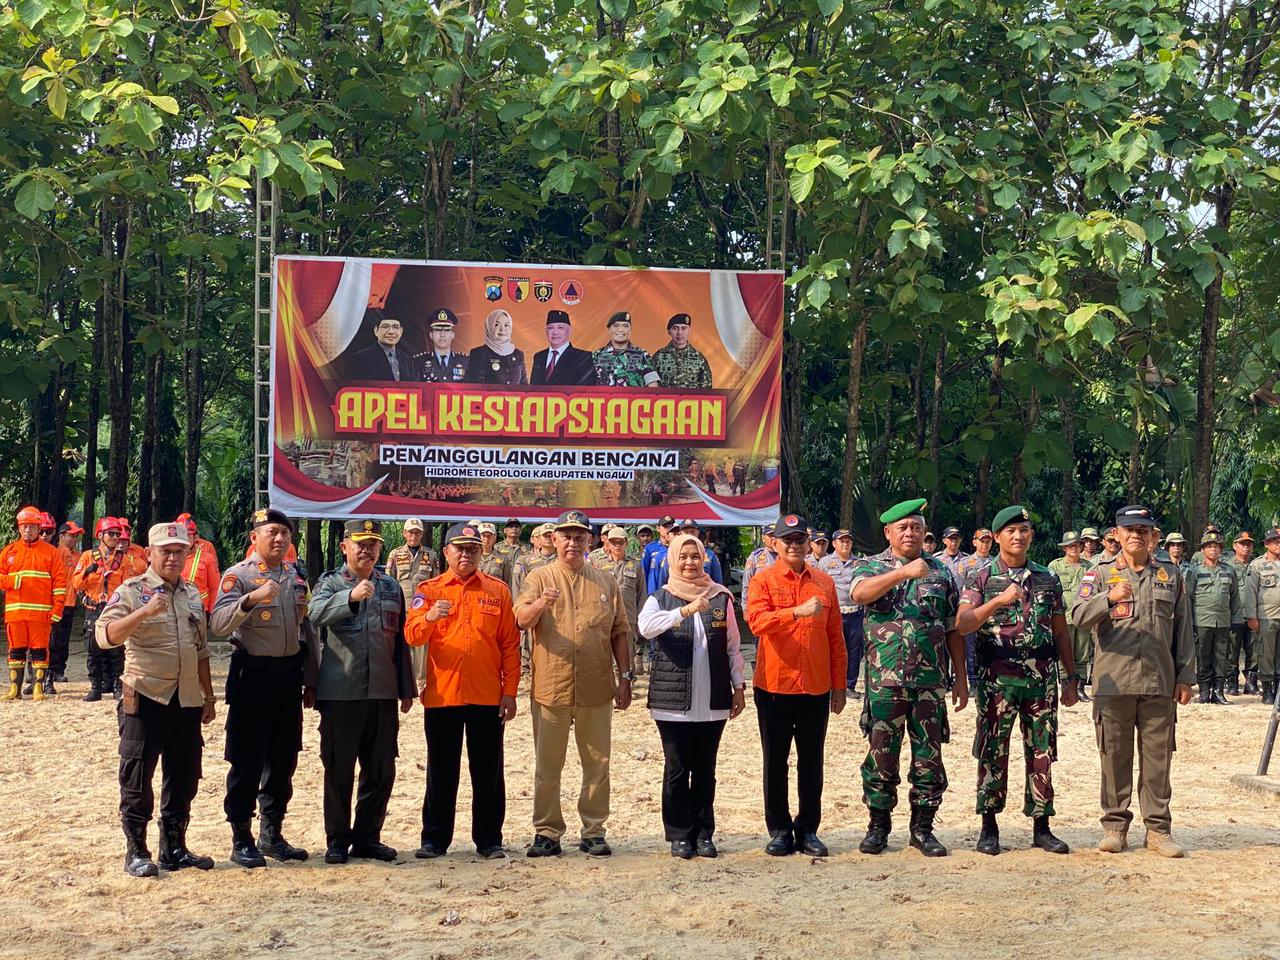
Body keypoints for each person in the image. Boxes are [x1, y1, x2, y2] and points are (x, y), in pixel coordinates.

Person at [1071, 505, 1193, 858]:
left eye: (1143, 529)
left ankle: (1158, 830)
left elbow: (1183, 628)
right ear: (1116, 534)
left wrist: (1185, 676)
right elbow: (1078, 616)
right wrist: (1108, 598)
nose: (1136, 535)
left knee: (1158, 759)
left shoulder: (1171, 574)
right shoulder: (1099, 572)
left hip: (1159, 680)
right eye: (1129, 529)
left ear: (1154, 536)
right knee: (1114, 755)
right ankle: (1114, 826)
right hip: (1114, 682)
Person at [95, 522, 216, 877]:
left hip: (186, 698)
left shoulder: (193, 593)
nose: (173, 557)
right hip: (145, 695)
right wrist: (143, 613)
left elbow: (203, 649)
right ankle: (136, 851)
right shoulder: (132, 591)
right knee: (137, 777)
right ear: (150, 553)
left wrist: (208, 696)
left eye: (180, 551)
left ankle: (174, 848)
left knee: (184, 775)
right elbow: (105, 637)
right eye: (166, 551)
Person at [956, 506, 1078, 856]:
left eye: (1024, 529)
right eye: (1010, 530)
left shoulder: (1046, 578)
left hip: (1041, 678)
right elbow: (964, 623)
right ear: (996, 537)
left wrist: (1071, 677)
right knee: (992, 750)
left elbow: (1059, 630)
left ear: (1031, 536)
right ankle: (989, 826)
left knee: (1042, 750)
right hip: (998, 679)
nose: (1018, 536)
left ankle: (1042, 826)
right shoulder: (979, 577)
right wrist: (997, 600)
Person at [850, 499, 967, 857]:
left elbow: (952, 629)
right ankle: (878, 826)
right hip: (884, 683)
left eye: (916, 526)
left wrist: (960, 678)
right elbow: (858, 594)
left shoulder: (942, 573)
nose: (910, 532)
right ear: (888, 532)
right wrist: (901, 573)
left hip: (929, 684)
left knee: (928, 758)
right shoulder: (870, 566)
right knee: (881, 757)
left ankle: (923, 828)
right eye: (902, 527)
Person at [513, 510, 632, 858]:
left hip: (596, 686)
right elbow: (521, 620)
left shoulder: (606, 582)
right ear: (554, 539)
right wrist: (540, 604)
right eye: (566, 535)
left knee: (598, 763)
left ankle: (594, 830)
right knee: (548, 765)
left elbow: (620, 632)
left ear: (589, 541)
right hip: (552, 686)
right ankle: (547, 832)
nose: (572, 542)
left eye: (580, 536)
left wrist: (625, 678)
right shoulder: (539, 577)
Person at [405, 522, 520, 860]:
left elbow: (510, 646)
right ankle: (435, 840)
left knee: (488, 772)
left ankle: (489, 839)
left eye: (472, 548)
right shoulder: (429, 590)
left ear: (481, 552)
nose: (466, 554)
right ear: (446, 552)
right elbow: (411, 635)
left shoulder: (497, 591)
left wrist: (510, 691)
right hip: (443, 696)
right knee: (441, 770)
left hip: (487, 696)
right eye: (459, 548)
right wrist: (428, 617)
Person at [307, 520, 417, 864]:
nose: (367, 549)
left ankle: (368, 837)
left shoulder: (390, 587)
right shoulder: (330, 583)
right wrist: (349, 598)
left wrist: (406, 687)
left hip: (382, 692)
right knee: (339, 769)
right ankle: (338, 840)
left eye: (373, 543)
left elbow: (399, 641)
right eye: (360, 543)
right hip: (342, 692)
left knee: (381, 769)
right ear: (345, 547)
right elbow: (314, 615)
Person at [210, 508, 315, 868]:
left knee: (284, 757)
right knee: (247, 758)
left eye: (285, 533)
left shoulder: (296, 578)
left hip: (288, 677)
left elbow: (307, 631)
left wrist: (311, 679)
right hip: (252, 676)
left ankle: (272, 833)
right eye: (272, 532)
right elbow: (219, 624)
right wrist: (250, 600)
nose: (280, 539)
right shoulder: (237, 576)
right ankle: (241, 837)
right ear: (254, 537)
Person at [638, 533, 746, 858]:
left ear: (704, 559)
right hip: (672, 704)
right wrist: (683, 613)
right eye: (683, 556)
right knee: (675, 769)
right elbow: (645, 628)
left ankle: (703, 834)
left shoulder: (720, 598)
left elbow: (732, 648)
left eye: (695, 557)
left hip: (713, 701)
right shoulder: (661, 597)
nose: (689, 563)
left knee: (705, 770)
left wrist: (739, 687)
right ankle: (679, 834)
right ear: (673, 559)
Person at [745, 514, 846, 857]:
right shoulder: (763, 580)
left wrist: (840, 684)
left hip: (815, 687)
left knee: (811, 761)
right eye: (786, 539)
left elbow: (836, 637)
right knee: (775, 761)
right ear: (774, 543)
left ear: (807, 542)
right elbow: (756, 623)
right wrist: (796, 612)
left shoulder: (824, 582)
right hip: (774, 685)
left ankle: (808, 830)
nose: (793, 545)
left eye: (799, 539)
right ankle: (779, 829)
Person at [72, 517, 147, 702]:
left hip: (115, 609)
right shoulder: (88, 556)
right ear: (100, 535)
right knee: (93, 650)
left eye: (117, 534)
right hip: (94, 607)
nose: (115, 537)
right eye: (111, 534)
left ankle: (116, 686)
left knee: (117, 650)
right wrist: (88, 571)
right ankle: (95, 688)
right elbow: (76, 584)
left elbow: (129, 586)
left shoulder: (124, 560)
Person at [1, 506, 68, 701]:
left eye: (32, 526)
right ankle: (15, 689)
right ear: (19, 528)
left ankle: (38, 688)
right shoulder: (9, 552)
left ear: (39, 528)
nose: (28, 530)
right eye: (24, 526)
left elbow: (60, 584)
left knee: (40, 651)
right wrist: (12, 581)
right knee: (16, 651)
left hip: (41, 615)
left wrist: (58, 608)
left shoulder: (51, 553)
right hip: (15, 614)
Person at [1184, 531, 1239, 705]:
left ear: (1221, 549)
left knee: (1221, 656)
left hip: (1223, 620)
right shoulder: (1194, 571)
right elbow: (1189, 598)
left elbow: (1235, 597)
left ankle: (1218, 691)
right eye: (1209, 547)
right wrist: (1190, 622)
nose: (1213, 549)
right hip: (1202, 620)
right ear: (1203, 550)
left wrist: (1236, 620)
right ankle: (1204, 691)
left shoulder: (1229, 571)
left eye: (1216, 546)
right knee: (1203, 656)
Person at [385, 518, 440, 685]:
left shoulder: (430, 555)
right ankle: (403, 677)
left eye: (417, 532)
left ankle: (420, 679)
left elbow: (436, 581)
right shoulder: (395, 554)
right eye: (410, 532)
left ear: (421, 534)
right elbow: (389, 581)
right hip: (401, 606)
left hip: (423, 608)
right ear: (404, 533)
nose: (413, 535)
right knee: (401, 641)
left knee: (422, 643)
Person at [587, 525, 647, 675]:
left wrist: (641, 619)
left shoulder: (635, 565)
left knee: (627, 654)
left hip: (628, 617)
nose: (617, 545)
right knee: (603, 654)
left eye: (621, 542)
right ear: (608, 544)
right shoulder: (598, 564)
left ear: (626, 543)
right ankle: (607, 689)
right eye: (614, 542)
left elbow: (641, 594)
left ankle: (627, 686)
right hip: (604, 617)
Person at [1048, 531, 1093, 702]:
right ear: (1065, 548)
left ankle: (1080, 687)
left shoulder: (1089, 567)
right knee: (1062, 651)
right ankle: (1066, 685)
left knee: (1082, 652)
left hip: (1084, 615)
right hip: (1062, 616)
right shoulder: (1055, 566)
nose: (1074, 548)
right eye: (1071, 545)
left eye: (1077, 545)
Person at [819, 530, 863, 698]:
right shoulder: (824, 563)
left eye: (848, 541)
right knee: (832, 650)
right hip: (834, 614)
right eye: (841, 541)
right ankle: (830, 685)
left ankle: (849, 686)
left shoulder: (859, 562)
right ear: (834, 543)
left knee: (854, 651)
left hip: (855, 614)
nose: (845, 544)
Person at [511, 523, 557, 672]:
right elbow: (518, 586)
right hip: (532, 606)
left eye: (551, 535)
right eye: (545, 535)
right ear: (538, 538)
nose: (548, 538)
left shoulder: (562, 560)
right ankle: (527, 668)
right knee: (528, 638)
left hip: (556, 608)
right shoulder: (526, 560)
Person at [1244, 528, 1280, 704]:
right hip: (1267, 616)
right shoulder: (1257, 565)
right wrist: (1252, 616)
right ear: (1266, 544)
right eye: (1274, 541)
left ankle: (1278, 691)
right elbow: (1250, 592)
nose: (1278, 544)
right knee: (1266, 653)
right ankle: (1267, 690)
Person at [955, 528, 995, 684]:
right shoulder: (965, 563)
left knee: (989, 644)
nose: (984, 544)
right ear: (974, 542)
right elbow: (959, 588)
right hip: (971, 611)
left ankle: (988, 677)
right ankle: (972, 680)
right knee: (970, 647)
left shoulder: (996, 562)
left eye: (988, 541)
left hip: (990, 611)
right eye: (981, 541)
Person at [48, 521, 83, 684]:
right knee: (53, 639)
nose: (74, 539)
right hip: (56, 603)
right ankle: (49, 670)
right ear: (61, 536)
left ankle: (59, 670)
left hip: (70, 604)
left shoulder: (78, 555)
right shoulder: (55, 553)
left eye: (76, 536)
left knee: (63, 639)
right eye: (71, 535)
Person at [592, 311, 660, 387]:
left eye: (625, 326)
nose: (621, 329)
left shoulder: (642, 354)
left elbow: (652, 384)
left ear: (630, 330)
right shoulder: (597, 355)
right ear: (609, 331)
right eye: (616, 326)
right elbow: (587, 386)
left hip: (635, 398)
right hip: (605, 398)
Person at [530, 310, 596, 386]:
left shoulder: (583, 357)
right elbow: (533, 388)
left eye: (560, 327)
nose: (555, 332)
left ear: (569, 330)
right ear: (546, 331)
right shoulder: (539, 356)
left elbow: (585, 390)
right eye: (551, 328)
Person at [1226, 531, 1257, 695]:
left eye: (1248, 544)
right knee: (1232, 651)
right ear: (1234, 546)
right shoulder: (1227, 566)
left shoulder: (1256, 565)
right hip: (1234, 615)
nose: (1245, 546)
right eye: (1242, 543)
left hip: (1252, 615)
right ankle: (1232, 682)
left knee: (1254, 651)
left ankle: (1251, 683)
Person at [466, 309, 528, 385]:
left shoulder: (518, 354)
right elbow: (477, 388)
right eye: (496, 325)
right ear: (489, 327)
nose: (502, 329)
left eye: (506, 325)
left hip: (515, 397)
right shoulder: (478, 354)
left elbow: (524, 387)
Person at [348, 312, 415, 382]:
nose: (391, 332)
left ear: (401, 331)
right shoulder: (361, 358)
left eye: (395, 327)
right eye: (385, 327)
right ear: (376, 331)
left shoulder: (407, 361)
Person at [652, 313, 712, 389]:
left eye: (684, 328)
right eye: (675, 328)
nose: (679, 333)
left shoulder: (699, 358)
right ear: (669, 331)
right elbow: (651, 387)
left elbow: (707, 390)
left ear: (689, 330)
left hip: (691, 400)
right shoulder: (658, 357)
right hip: (666, 400)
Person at [176, 514, 221, 615]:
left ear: (195, 536)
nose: (183, 540)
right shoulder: (170, 558)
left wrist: (213, 612)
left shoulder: (207, 558)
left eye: (187, 535)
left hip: (200, 611)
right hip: (176, 609)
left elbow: (215, 587)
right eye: (180, 535)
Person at [414, 308, 470, 382]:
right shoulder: (419, 362)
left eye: (447, 330)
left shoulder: (465, 362)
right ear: (431, 335)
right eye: (438, 330)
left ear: (453, 335)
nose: (442, 335)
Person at [741, 522, 779, 608]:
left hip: (781, 604)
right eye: (770, 536)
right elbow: (746, 583)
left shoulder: (786, 556)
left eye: (776, 535)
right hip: (760, 603)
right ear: (763, 538)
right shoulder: (755, 557)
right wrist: (745, 608)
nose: (774, 538)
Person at [643, 516, 676, 594]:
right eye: (665, 527)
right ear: (658, 528)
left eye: (670, 526)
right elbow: (644, 572)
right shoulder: (650, 548)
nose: (667, 529)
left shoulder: (678, 549)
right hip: (655, 590)